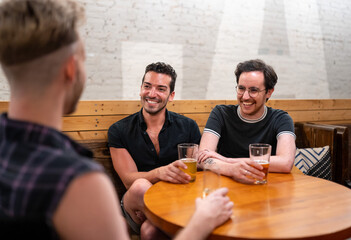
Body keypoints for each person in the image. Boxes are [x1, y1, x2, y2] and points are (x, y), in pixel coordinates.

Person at [0, 0, 232, 239]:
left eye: (160, 89)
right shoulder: (79, 180)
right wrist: (202, 222)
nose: (152, 93)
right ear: (70, 68)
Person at [108, 62, 201, 236]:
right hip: (135, 203)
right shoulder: (119, 130)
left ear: (171, 95)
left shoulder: (188, 126)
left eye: (160, 89)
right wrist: (160, 173)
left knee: (150, 231)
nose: (152, 94)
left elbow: (198, 169)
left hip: (176, 200)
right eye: (147, 86)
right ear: (141, 88)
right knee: (140, 186)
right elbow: (128, 181)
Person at [198, 59, 296, 184]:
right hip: (226, 185)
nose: (245, 96)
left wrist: (226, 160)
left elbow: (286, 163)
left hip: (266, 186)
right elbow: (202, 158)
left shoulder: (281, 119)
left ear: (269, 92)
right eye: (241, 88)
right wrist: (231, 169)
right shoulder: (221, 113)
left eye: (253, 90)